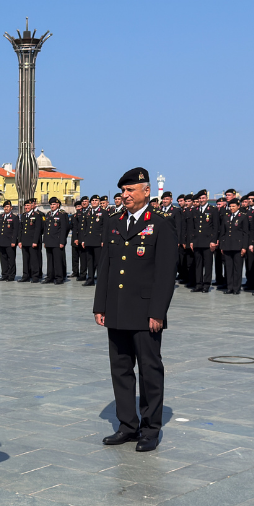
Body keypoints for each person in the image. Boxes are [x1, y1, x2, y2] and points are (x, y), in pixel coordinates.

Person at [93, 167, 178, 453]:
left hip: (145, 313)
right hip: (117, 310)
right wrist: (100, 305)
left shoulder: (161, 224)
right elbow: (106, 266)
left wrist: (158, 312)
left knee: (149, 371)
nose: (125, 195)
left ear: (146, 191)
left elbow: (166, 273)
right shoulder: (114, 222)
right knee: (120, 370)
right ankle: (127, 425)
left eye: (131, 190)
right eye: (123, 191)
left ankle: (150, 429)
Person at [190, 190, 219, 292]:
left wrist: (213, 241)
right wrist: (192, 241)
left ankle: (206, 284)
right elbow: (192, 227)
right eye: (200, 198)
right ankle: (198, 284)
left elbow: (215, 227)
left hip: (208, 242)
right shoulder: (195, 210)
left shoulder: (213, 210)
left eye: (203, 198)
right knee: (198, 264)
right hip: (197, 241)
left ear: (206, 198)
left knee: (208, 264)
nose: (201, 200)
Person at [219, 197, 247, 295]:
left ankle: (236, 288)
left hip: (238, 246)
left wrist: (244, 247)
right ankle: (229, 287)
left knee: (237, 268)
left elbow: (245, 233)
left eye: (233, 206)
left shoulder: (243, 217)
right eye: (230, 206)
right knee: (228, 268)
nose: (231, 208)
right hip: (227, 245)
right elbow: (223, 233)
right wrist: (222, 245)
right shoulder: (226, 217)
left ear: (238, 206)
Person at [42, 196, 70, 284]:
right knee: (50, 260)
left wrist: (62, 242)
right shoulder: (48, 214)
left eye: (54, 204)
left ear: (58, 205)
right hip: (49, 241)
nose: (52, 206)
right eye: (51, 204)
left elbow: (63, 229)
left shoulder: (61, 214)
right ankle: (50, 277)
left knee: (58, 261)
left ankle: (59, 277)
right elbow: (46, 229)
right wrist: (45, 241)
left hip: (57, 241)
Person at [20, 198, 44, 283]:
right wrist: (20, 241)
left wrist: (35, 241)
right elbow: (21, 229)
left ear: (31, 206)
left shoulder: (36, 215)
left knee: (34, 260)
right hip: (25, 241)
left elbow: (38, 229)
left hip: (32, 241)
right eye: (25, 206)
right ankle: (25, 275)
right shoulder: (23, 215)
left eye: (28, 205)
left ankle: (35, 276)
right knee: (25, 260)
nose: (26, 207)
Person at [0, 200, 20, 281]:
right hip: (2, 241)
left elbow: (16, 230)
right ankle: (4, 275)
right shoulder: (1, 216)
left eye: (8, 207)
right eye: (5, 207)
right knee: (3, 259)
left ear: (11, 208)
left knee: (11, 259)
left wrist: (14, 241)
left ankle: (11, 275)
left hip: (10, 242)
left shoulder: (14, 217)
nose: (6, 208)